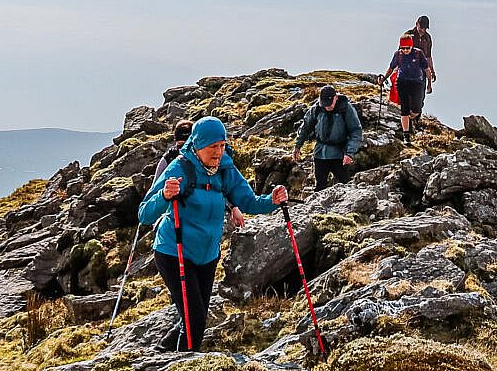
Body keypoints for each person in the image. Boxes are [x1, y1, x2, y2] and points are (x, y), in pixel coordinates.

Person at [138, 116, 288, 351]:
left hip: (207, 257)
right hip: (174, 252)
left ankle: (159, 355)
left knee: (192, 317)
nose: (218, 152)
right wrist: (165, 196)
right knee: (195, 320)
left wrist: (272, 200)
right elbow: (145, 213)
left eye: (222, 145)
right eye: (213, 147)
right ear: (197, 145)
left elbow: (249, 202)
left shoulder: (225, 169)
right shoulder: (180, 167)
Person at [155, 119, 244, 230]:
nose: (183, 150)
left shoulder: (215, 161)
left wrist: (233, 207)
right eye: (180, 145)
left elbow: (222, 186)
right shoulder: (169, 159)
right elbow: (155, 191)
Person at [292, 84, 363, 191]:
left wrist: (349, 153)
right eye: (325, 104)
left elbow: (356, 131)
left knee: (345, 187)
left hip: (340, 156)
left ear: (336, 97)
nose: (328, 107)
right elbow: (305, 127)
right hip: (320, 154)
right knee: (320, 188)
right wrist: (297, 146)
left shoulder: (346, 109)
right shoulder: (316, 109)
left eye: (330, 104)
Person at [382, 35, 430, 144]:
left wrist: (429, 84)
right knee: (404, 109)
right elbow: (391, 68)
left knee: (416, 109)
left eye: (407, 48)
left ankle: (410, 119)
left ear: (411, 46)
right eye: (403, 48)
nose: (405, 50)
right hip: (402, 82)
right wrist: (383, 79)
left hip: (417, 83)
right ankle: (406, 136)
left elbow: (427, 69)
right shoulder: (398, 55)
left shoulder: (418, 53)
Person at [403, 15, 435, 118]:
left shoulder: (428, 38)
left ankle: (416, 120)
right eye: (421, 27)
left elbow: (429, 56)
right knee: (408, 97)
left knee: (420, 97)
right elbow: (400, 53)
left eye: (425, 28)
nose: (423, 30)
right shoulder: (408, 35)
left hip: (422, 72)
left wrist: (432, 71)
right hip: (408, 71)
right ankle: (407, 121)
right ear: (417, 24)